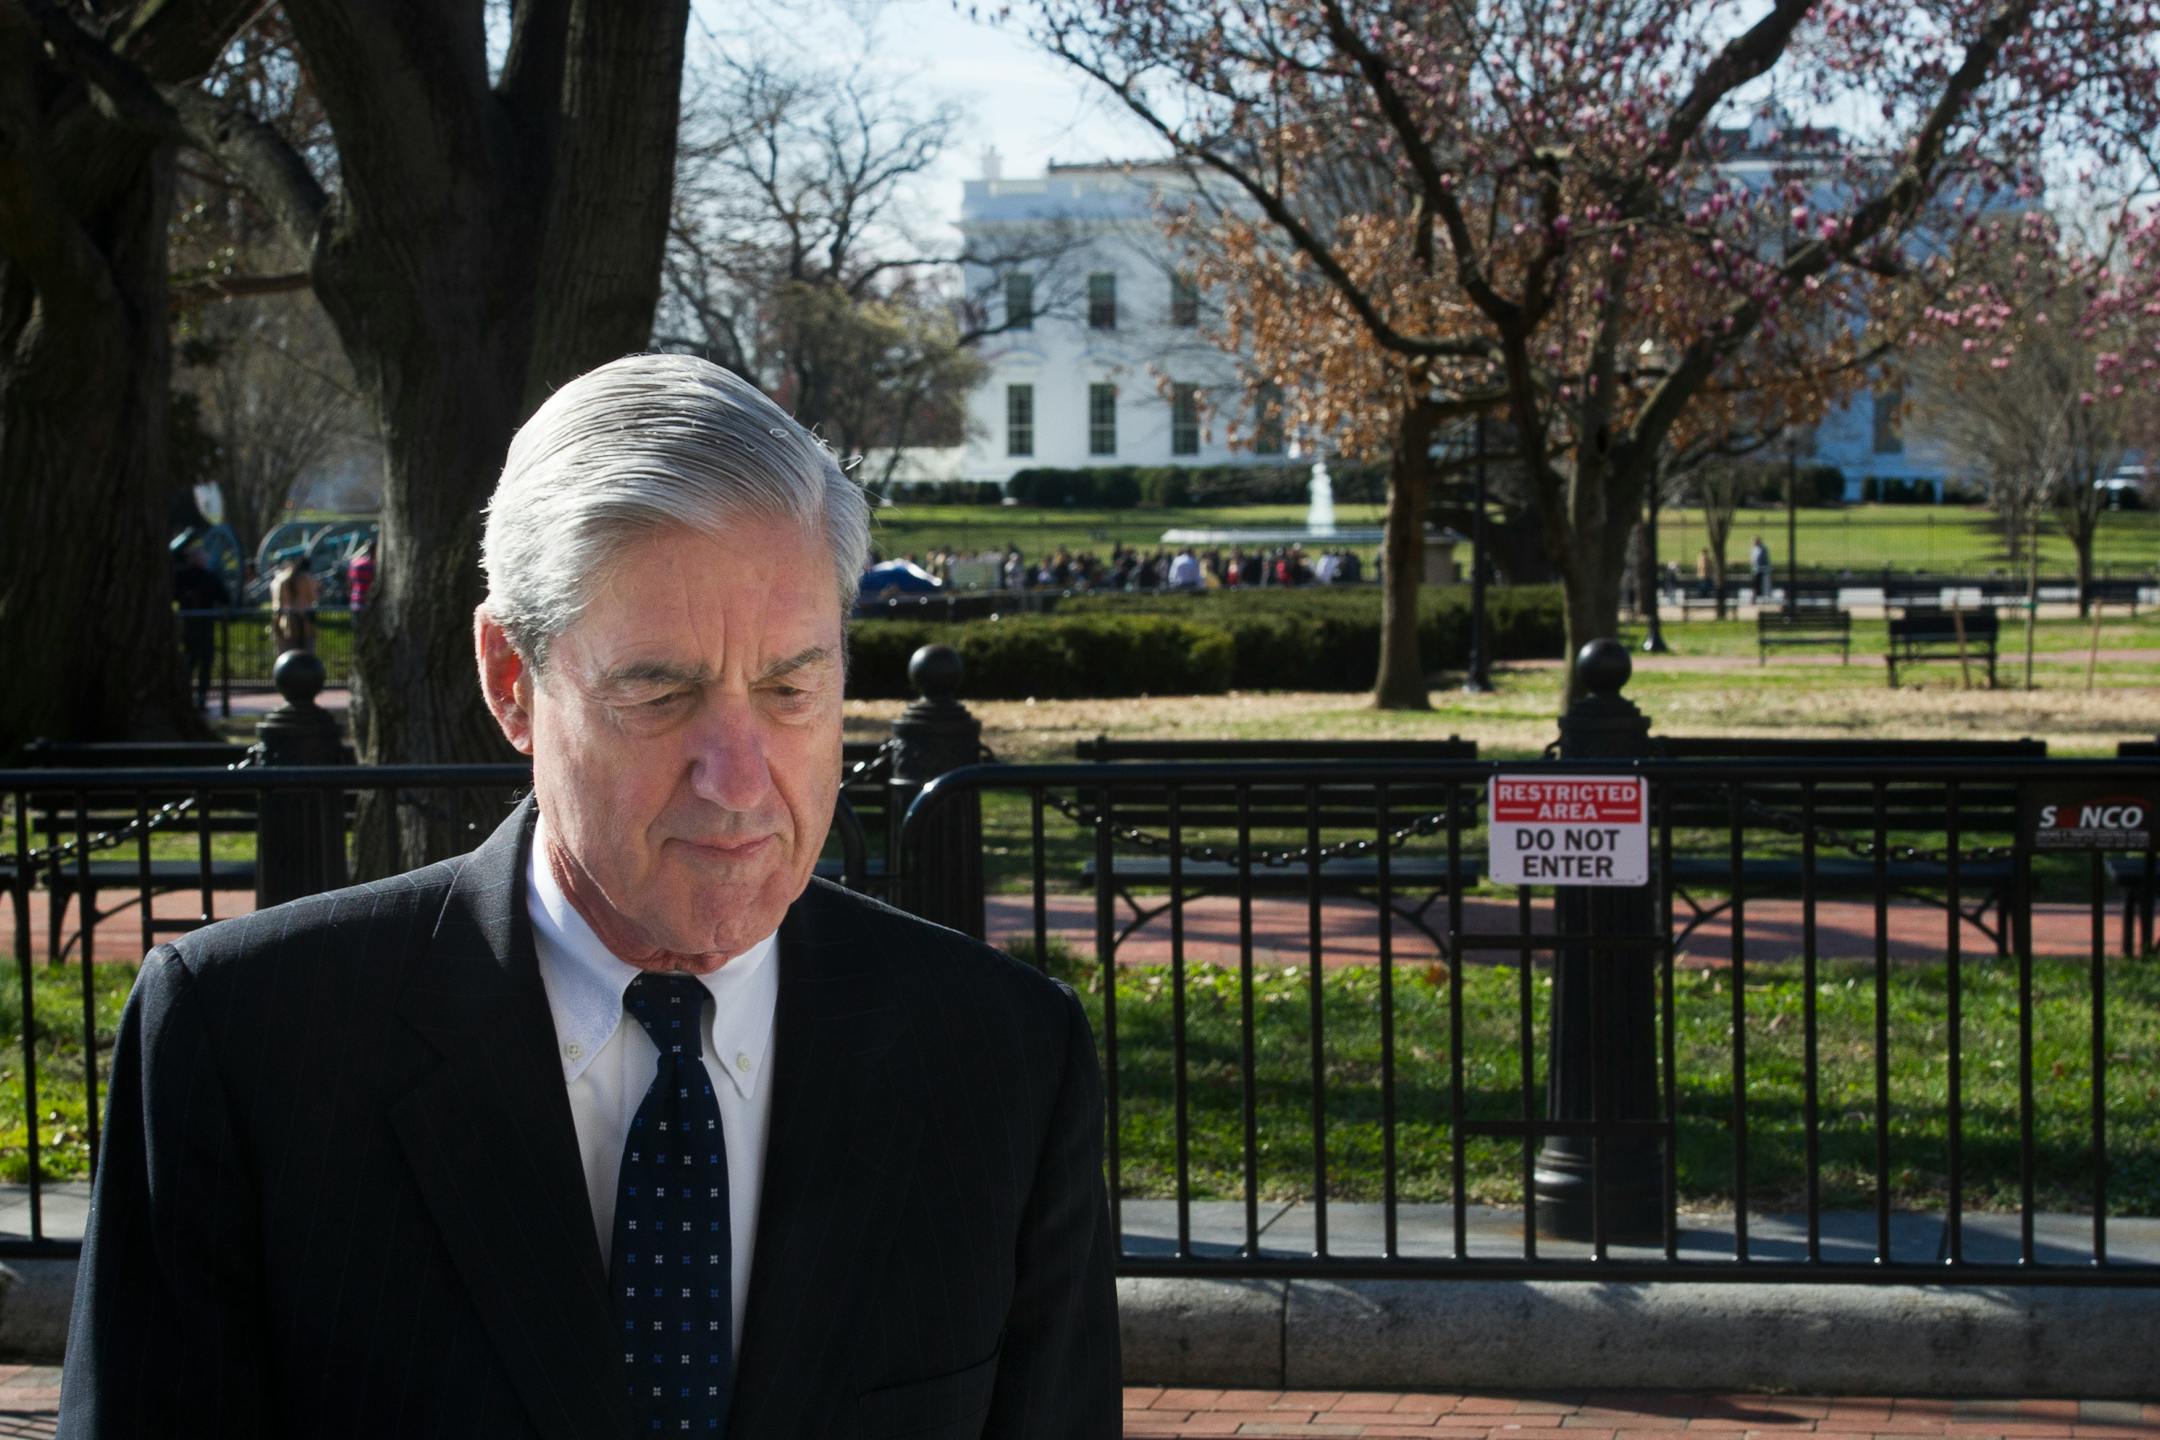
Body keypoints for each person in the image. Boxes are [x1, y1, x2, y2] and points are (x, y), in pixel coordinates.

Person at [61, 355, 1121, 1438]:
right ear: (511, 682)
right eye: (660, 692)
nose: (742, 780)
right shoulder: (251, 1045)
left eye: (791, 689)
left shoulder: (1004, 1061)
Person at [172, 543, 230, 711]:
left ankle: (187, 697)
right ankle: (201, 698)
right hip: (204, 627)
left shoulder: (180, 577)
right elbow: (225, 598)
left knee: (190, 662)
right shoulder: (210, 577)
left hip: (188, 626)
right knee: (204, 664)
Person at [269, 551, 319, 652]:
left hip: (286, 624)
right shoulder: (306, 579)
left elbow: (277, 605)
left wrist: (276, 627)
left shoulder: (279, 580)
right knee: (306, 657)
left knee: (287, 657)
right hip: (304, 623)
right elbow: (313, 598)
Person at [345, 540, 375, 613]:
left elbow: (349, 583)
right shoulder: (372, 566)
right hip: (369, 601)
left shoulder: (355, 563)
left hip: (355, 600)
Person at [1750, 534, 1772, 604]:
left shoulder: (1763, 549)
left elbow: (1766, 560)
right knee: (1755, 586)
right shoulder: (1754, 549)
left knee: (1763, 586)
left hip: (1762, 571)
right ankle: (1754, 599)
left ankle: (1764, 599)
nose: (1753, 542)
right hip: (1755, 570)